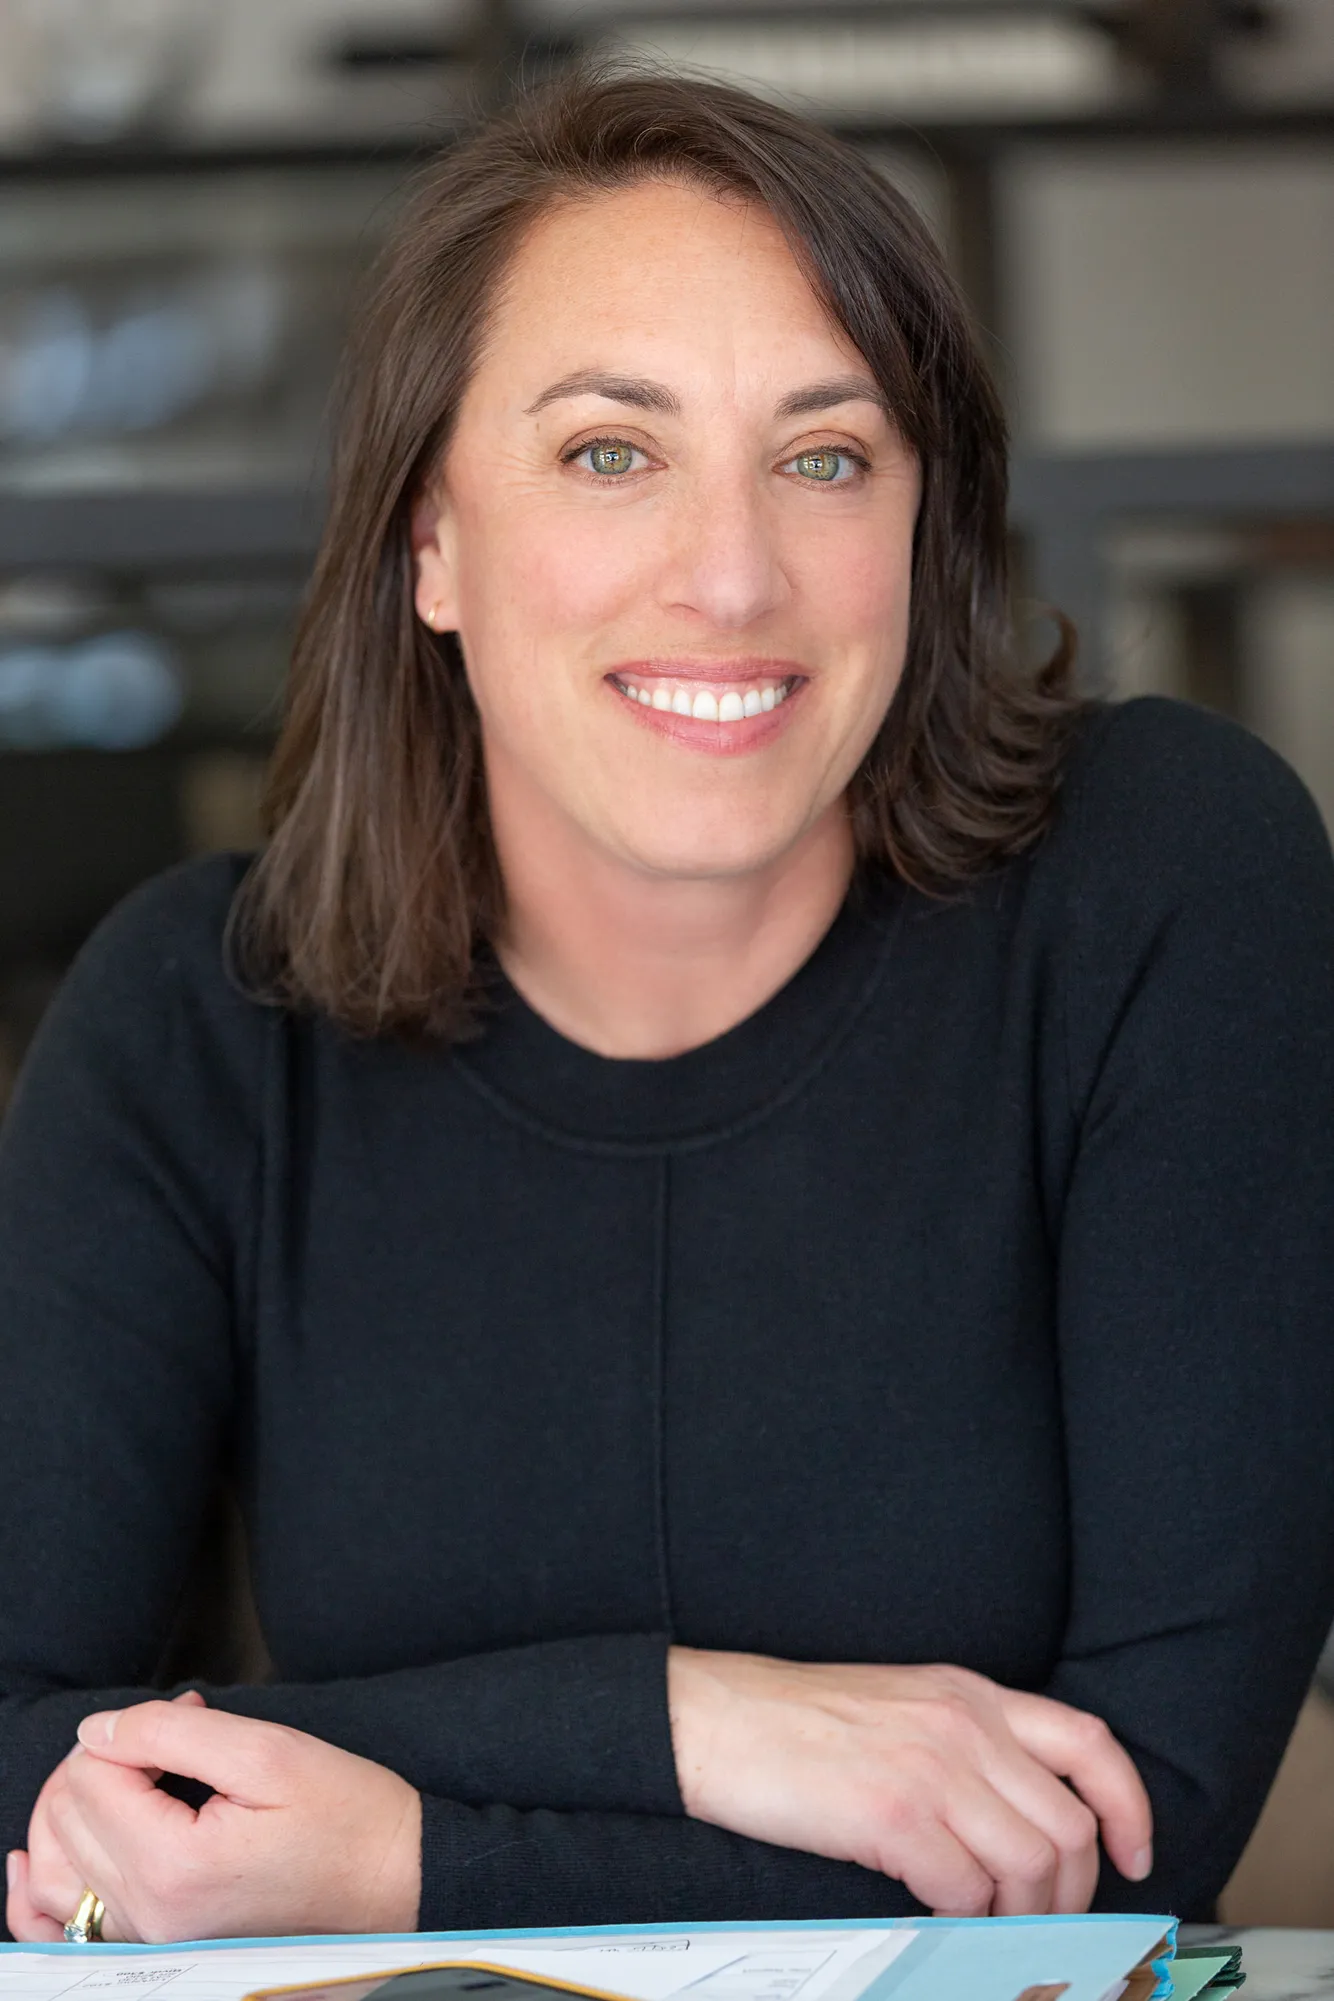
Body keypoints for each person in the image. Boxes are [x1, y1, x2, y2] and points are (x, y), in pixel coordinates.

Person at [3, 66, 1334, 1949]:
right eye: (610, 451)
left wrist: (405, 1858)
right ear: (429, 545)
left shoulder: (1162, 879)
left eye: (824, 456)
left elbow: (1136, 1829)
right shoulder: (198, 1016)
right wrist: (696, 1725)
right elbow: (19, 1752)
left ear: (919, 529)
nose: (731, 574)